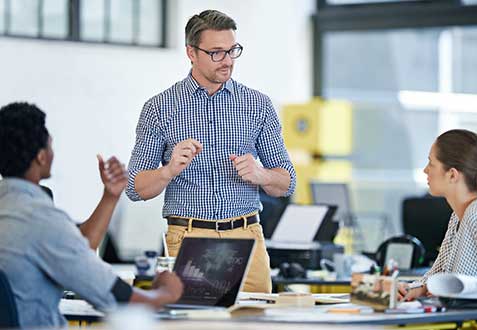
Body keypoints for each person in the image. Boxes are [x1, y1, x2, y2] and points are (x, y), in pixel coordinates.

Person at [126, 9, 296, 293]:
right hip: (189, 238)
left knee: (258, 323)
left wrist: (262, 175)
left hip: (247, 237)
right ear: (191, 52)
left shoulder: (258, 106)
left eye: (232, 51)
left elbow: (287, 182)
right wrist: (168, 171)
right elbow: (134, 187)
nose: (227, 61)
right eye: (216, 52)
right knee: (195, 323)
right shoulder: (159, 108)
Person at [0, 102, 183, 328]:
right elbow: (119, 297)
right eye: (50, 145)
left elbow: (77, 246)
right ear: (41, 157)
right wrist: (166, 292)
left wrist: (110, 196)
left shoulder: (12, 209)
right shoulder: (41, 219)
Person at [399, 129, 477, 301]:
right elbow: (437, 273)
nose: (425, 170)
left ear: (452, 174)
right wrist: (415, 288)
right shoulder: (458, 216)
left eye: (431, 163)